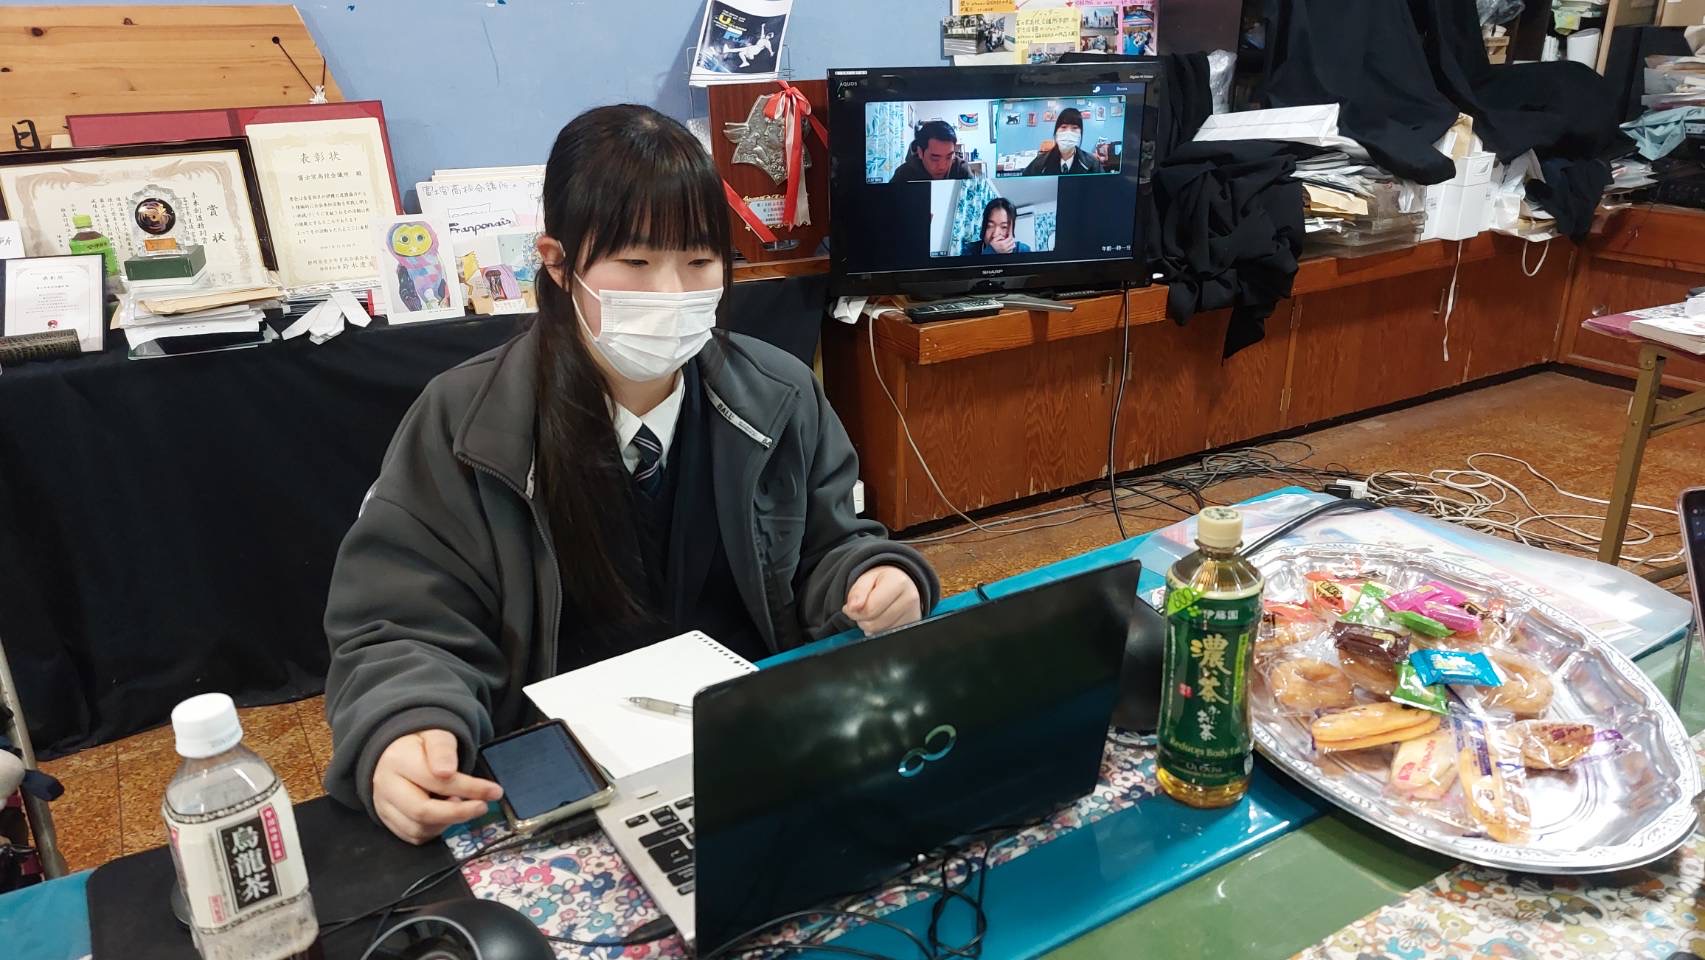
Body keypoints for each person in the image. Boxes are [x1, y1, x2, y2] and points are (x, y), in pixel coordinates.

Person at [322, 104, 942, 844]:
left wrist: (874, 577)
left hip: (749, 747)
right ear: (557, 263)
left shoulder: (779, 395)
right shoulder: (466, 423)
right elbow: (398, 623)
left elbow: (828, 544)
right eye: (637, 264)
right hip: (558, 781)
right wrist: (405, 724)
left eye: (700, 263)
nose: (672, 293)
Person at [1022, 108, 1105, 176]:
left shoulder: (1092, 164)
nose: (1068, 133)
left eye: (1074, 128)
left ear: (1080, 133)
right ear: (1056, 132)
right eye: (1063, 127)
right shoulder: (1039, 163)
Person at [889, 120, 972, 182]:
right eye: (935, 158)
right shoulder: (903, 174)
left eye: (949, 157)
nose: (942, 166)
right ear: (920, 152)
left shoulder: (961, 170)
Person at [960, 197, 1032, 255]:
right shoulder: (968, 249)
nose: (995, 234)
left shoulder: (1021, 250)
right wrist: (990, 251)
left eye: (1004, 227)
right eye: (989, 226)